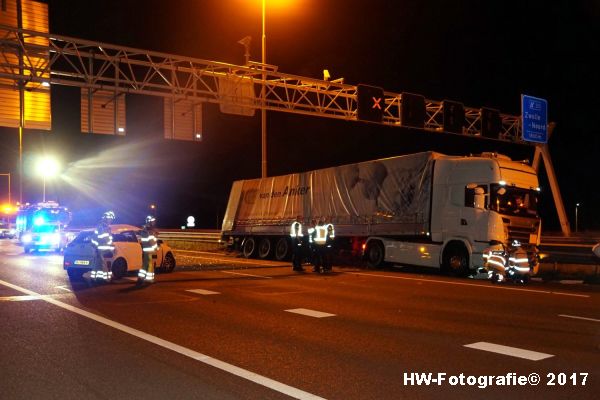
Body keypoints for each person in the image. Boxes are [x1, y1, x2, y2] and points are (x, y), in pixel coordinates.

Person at [90, 211, 115, 283]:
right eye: (110, 219)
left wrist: (111, 245)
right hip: (101, 249)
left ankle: (96, 278)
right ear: (106, 218)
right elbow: (98, 238)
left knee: (98, 264)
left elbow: (107, 239)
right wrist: (97, 247)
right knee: (102, 264)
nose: (111, 220)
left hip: (104, 249)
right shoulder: (102, 227)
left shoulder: (105, 227)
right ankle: (104, 279)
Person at [137, 215, 158, 286]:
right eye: (153, 221)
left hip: (146, 249)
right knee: (149, 264)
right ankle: (149, 279)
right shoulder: (149, 230)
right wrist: (156, 247)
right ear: (149, 222)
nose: (154, 223)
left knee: (145, 264)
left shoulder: (145, 229)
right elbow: (152, 240)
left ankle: (141, 278)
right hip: (150, 249)